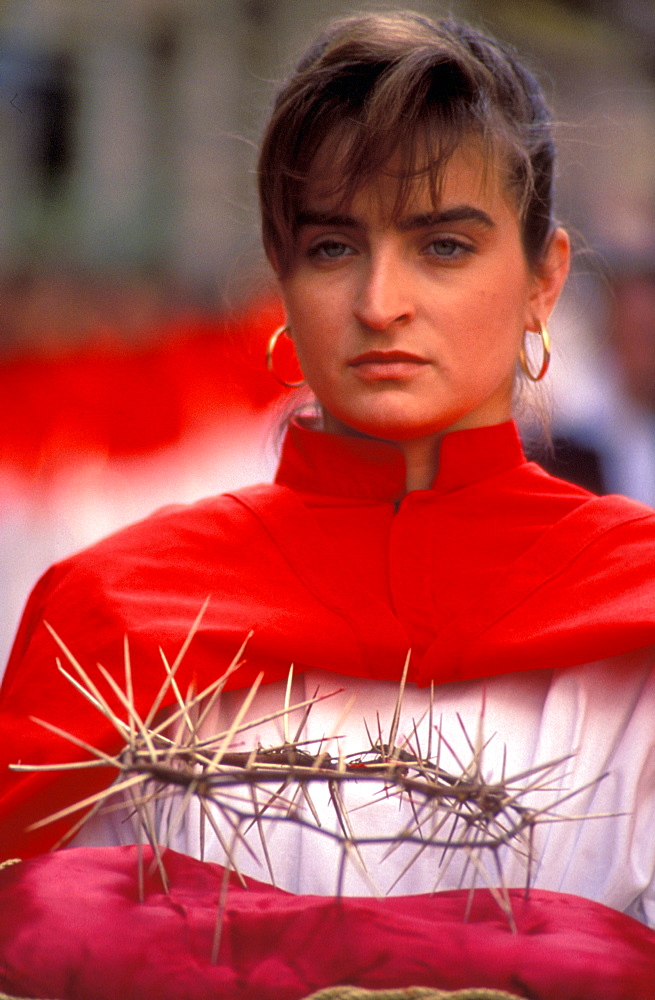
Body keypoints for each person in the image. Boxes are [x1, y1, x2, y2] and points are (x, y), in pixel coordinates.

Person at [2, 10, 655, 997]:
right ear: (280, 273)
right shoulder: (111, 616)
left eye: (442, 245)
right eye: (332, 247)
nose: (380, 300)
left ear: (542, 279)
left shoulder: (640, 610)